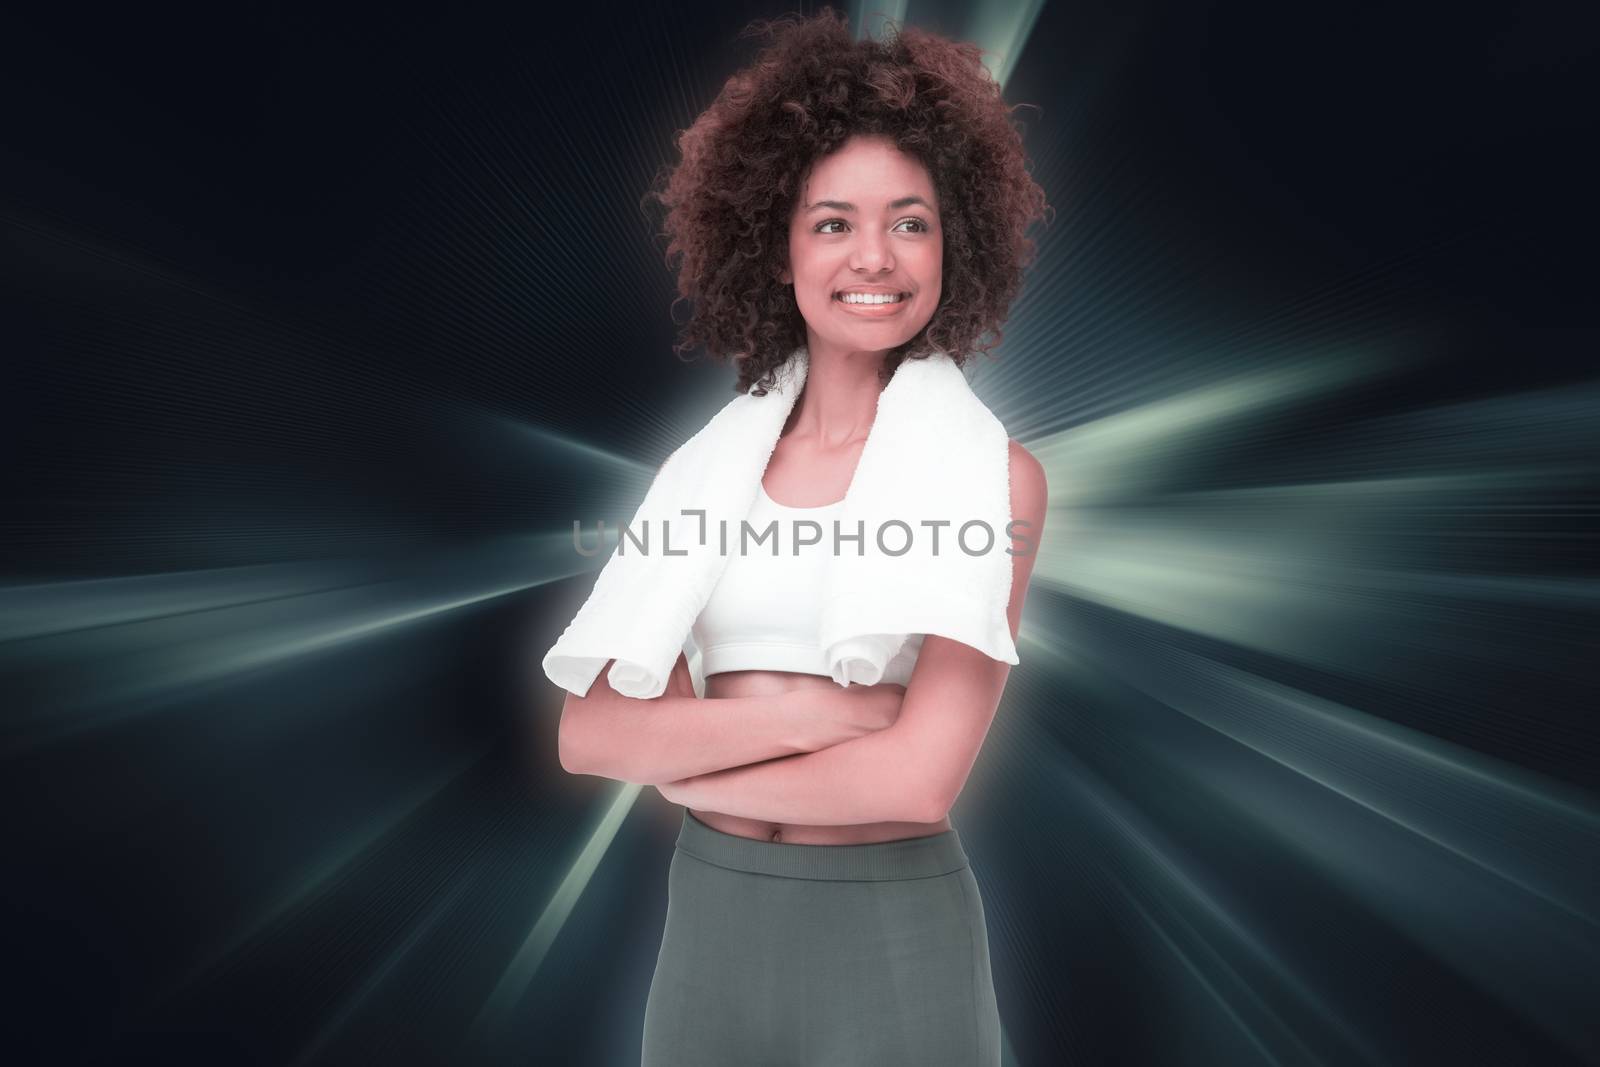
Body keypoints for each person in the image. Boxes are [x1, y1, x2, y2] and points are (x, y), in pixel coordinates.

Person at [555, 9, 1050, 1065]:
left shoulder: (996, 480)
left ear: (952, 242)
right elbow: (593, 732)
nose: (873, 255)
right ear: (774, 247)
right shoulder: (698, 476)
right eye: (832, 221)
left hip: (892, 931)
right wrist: (830, 710)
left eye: (909, 221)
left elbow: (915, 780)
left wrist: (687, 777)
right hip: (710, 928)